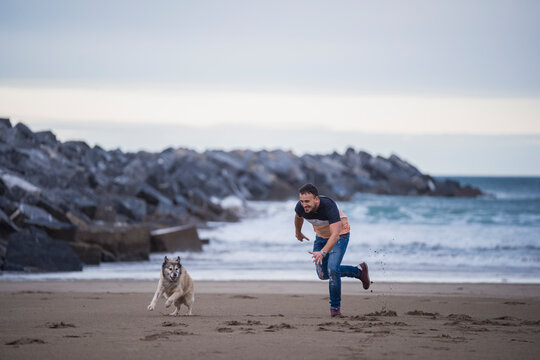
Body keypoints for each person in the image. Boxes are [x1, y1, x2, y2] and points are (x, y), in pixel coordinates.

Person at [294, 183, 370, 317]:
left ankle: (335, 308)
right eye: (302, 201)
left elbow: (335, 235)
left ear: (316, 199)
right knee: (323, 274)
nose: (304, 204)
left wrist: (323, 252)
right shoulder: (300, 207)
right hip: (321, 237)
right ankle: (358, 271)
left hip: (340, 236)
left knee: (333, 269)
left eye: (307, 201)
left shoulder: (329, 206)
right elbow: (298, 217)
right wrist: (298, 232)